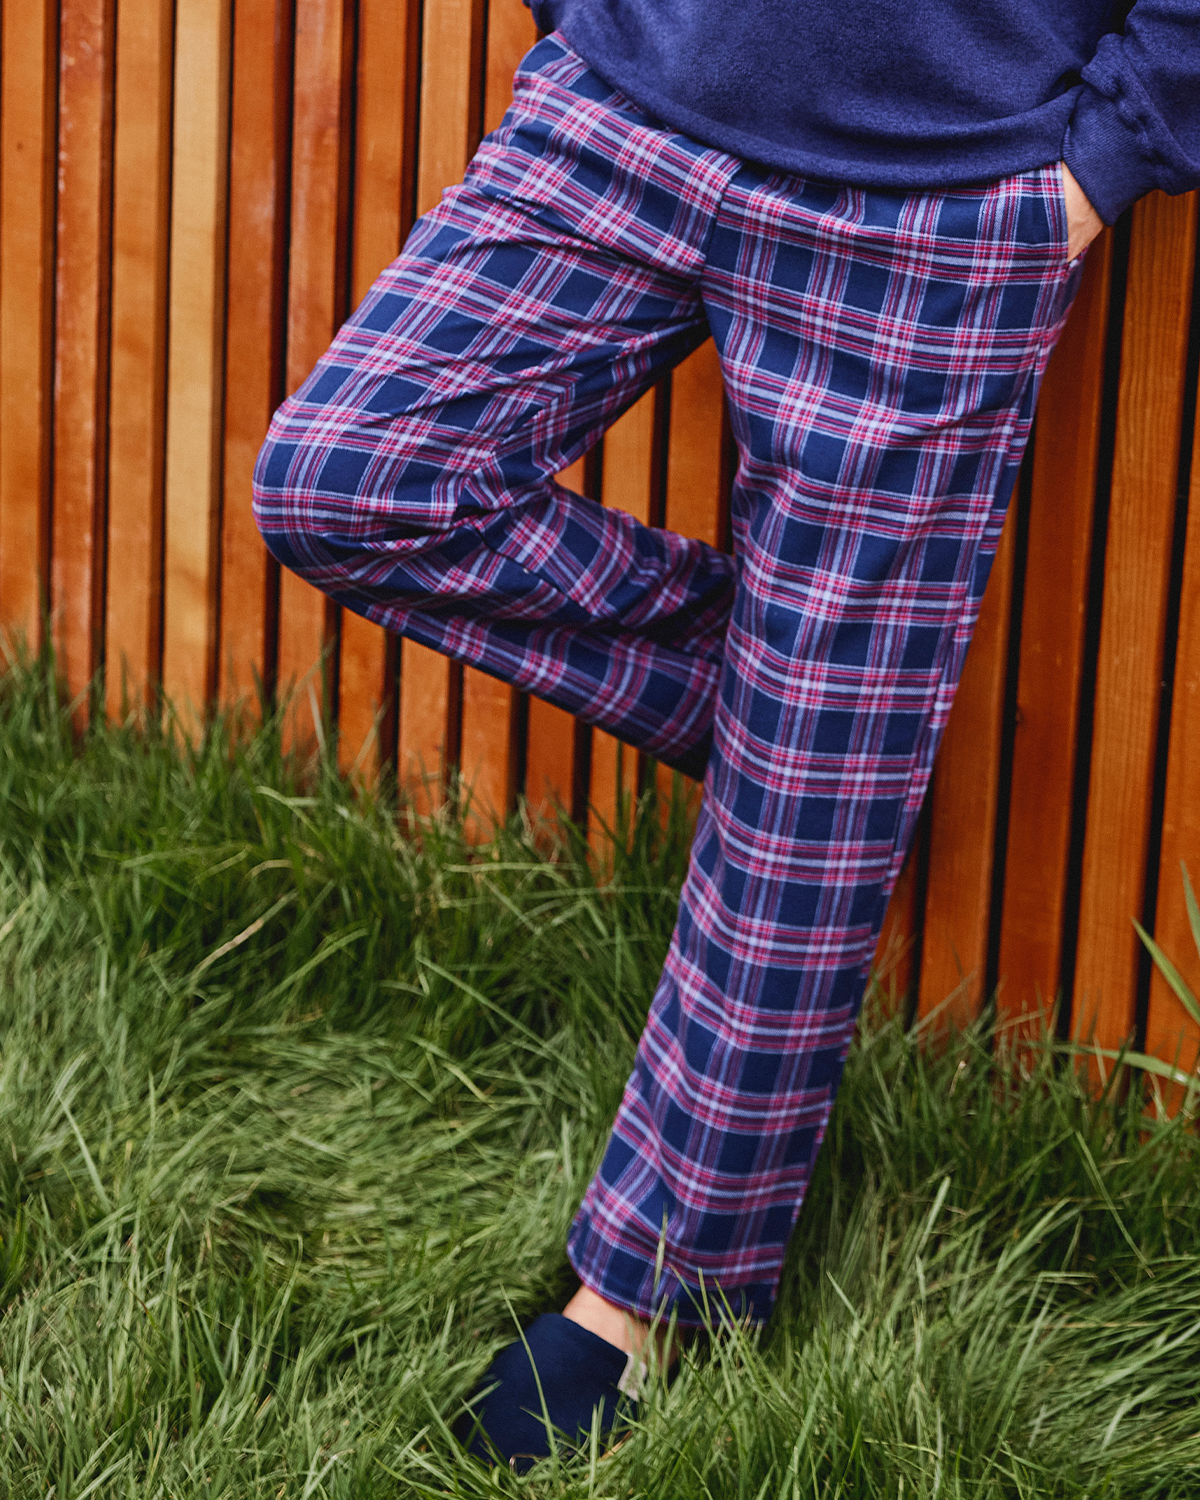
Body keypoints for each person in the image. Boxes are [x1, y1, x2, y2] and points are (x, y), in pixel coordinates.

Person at [253, 0, 1200, 1467]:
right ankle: (804, 728)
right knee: (354, 481)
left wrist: (1109, 155)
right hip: (626, 98)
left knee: (807, 798)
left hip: (948, 190)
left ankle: (638, 1304)